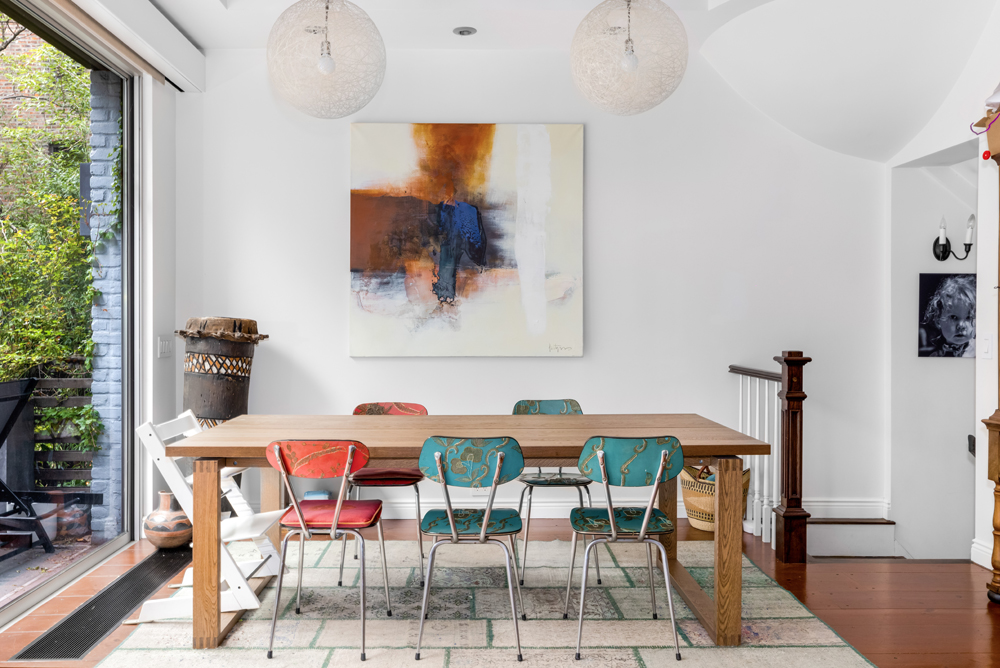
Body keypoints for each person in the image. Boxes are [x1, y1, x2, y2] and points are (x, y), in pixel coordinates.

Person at [920, 275, 976, 357]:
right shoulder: (935, 357)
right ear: (938, 319)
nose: (961, 326)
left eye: (969, 317)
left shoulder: (979, 352)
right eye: (953, 317)